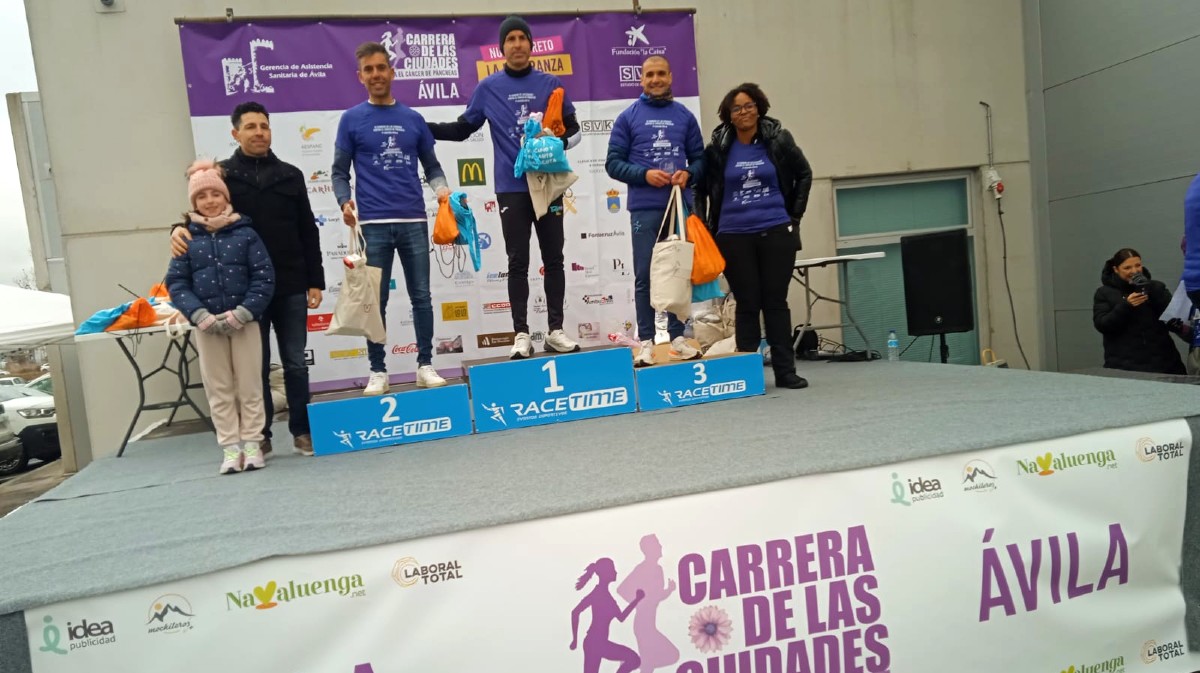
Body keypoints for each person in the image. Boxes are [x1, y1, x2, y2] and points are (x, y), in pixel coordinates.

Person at [171, 102, 324, 457]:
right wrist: (175, 231)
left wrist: (314, 280)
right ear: (235, 133)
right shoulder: (223, 175)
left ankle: (302, 431)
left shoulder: (291, 175)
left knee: (295, 362)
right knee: (256, 366)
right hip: (245, 292)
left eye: (264, 126)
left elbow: (307, 231)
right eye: (251, 126)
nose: (259, 132)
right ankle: (261, 436)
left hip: (290, 284)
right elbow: (200, 214)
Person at [428, 15, 581, 359]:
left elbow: (575, 130)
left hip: (547, 185)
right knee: (517, 261)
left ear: (530, 44)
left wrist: (555, 145)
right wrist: (424, 128)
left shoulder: (550, 84)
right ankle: (522, 334)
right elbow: (463, 128)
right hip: (510, 188)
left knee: (554, 257)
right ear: (502, 48)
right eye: (509, 39)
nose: (516, 44)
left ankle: (555, 330)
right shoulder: (489, 88)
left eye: (521, 38)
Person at [333, 42, 450, 395]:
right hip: (373, 226)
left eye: (381, 67)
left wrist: (442, 191)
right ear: (360, 76)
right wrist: (344, 201)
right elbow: (339, 172)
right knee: (375, 301)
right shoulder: (351, 119)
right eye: (368, 70)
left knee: (422, 298)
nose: (376, 74)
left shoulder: (413, 119)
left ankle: (425, 365)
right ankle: (377, 370)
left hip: (414, 221)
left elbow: (432, 166)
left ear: (392, 71)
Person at [694, 83, 812, 389]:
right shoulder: (718, 148)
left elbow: (804, 173)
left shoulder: (778, 139)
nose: (744, 112)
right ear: (728, 115)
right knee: (746, 302)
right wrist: (707, 228)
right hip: (733, 235)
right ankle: (746, 375)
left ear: (759, 108)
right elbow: (700, 188)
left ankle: (785, 372)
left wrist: (794, 216)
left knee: (775, 302)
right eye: (737, 108)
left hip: (776, 230)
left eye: (749, 106)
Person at [166, 161, 275, 474]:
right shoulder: (186, 238)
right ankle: (230, 448)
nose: (210, 201)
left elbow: (263, 277)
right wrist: (200, 315)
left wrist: (243, 313)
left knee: (250, 385)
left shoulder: (247, 234)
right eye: (202, 196)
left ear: (227, 197)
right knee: (219, 388)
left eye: (216, 194)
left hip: (244, 323)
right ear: (194, 203)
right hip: (207, 327)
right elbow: (176, 283)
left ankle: (253, 444)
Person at [605, 55, 703, 366]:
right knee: (645, 276)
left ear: (671, 77)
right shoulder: (628, 117)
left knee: (677, 274)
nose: (656, 79)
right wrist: (644, 175)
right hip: (645, 210)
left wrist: (689, 173)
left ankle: (676, 339)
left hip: (677, 207)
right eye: (650, 75)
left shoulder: (684, 116)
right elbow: (613, 163)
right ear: (642, 80)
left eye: (661, 73)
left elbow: (701, 160)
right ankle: (646, 341)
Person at [1092, 248, 1186, 374]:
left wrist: (1155, 293)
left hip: (1164, 363)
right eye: (1127, 268)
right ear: (1116, 269)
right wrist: (1126, 305)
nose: (1134, 271)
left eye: (1138, 265)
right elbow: (1103, 325)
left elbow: (1174, 320)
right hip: (1124, 365)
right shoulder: (1104, 293)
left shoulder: (1156, 287)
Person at [615, 535, 680, 672]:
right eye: (657, 544)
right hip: (642, 625)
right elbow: (621, 589)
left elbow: (656, 596)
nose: (661, 546)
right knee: (652, 663)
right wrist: (638, 602)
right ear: (650, 549)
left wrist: (669, 590)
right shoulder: (642, 568)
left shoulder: (658, 569)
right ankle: (632, 662)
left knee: (668, 657)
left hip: (649, 625)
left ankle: (631, 662)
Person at [570, 557, 644, 673]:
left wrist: (637, 600)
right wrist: (575, 639)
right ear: (606, 573)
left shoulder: (606, 596)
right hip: (594, 642)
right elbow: (575, 612)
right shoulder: (598, 594)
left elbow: (621, 617)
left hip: (598, 643)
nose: (615, 572)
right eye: (613, 569)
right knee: (633, 659)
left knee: (634, 659)